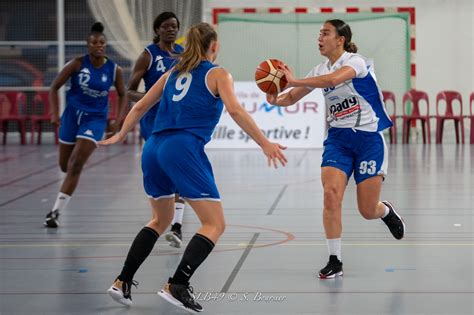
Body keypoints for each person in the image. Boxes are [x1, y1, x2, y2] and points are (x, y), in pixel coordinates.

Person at [101, 22, 287, 312]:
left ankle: (122, 281)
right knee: (215, 224)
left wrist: (121, 134)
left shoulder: (172, 72)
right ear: (213, 45)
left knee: (159, 221)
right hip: (182, 147)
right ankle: (177, 284)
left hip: (153, 147)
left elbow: (139, 107)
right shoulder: (218, 73)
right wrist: (264, 142)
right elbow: (236, 110)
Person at [267, 19, 405, 279]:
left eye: (325, 33)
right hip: (339, 140)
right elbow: (290, 98)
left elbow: (332, 79)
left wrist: (293, 79)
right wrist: (275, 97)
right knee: (331, 195)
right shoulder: (318, 69)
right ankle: (335, 260)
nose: (319, 37)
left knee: (366, 210)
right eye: (319, 33)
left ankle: (384, 210)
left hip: (369, 140)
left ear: (340, 39)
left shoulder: (356, 62)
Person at [43, 22, 127, 228]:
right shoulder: (77, 64)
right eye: (94, 42)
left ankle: (55, 212)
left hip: (95, 119)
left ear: (106, 45)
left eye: (102, 43)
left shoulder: (114, 69)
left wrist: (119, 119)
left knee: (76, 164)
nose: (99, 45)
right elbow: (54, 87)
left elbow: (124, 94)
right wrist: (54, 112)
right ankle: (74, 167)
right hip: (72, 116)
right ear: (88, 45)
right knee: (65, 165)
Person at [127, 12, 185, 248]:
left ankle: (177, 227)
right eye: (166, 26)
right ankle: (161, 216)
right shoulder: (148, 55)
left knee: (179, 166)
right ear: (157, 29)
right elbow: (130, 90)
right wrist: (151, 98)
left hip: (177, 119)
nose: (171, 29)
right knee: (161, 170)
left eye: (174, 26)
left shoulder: (183, 54)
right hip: (153, 121)